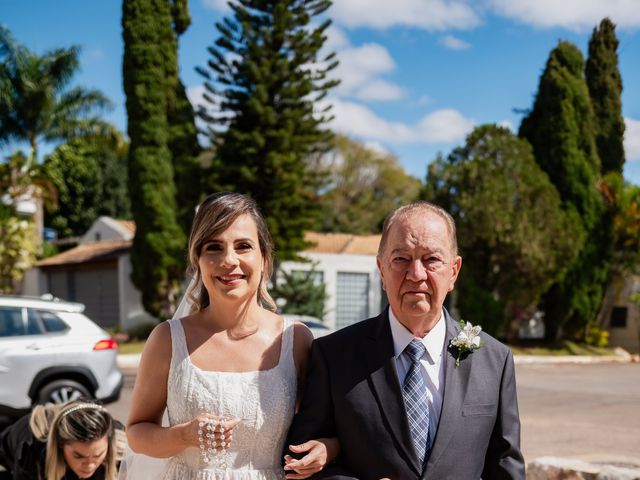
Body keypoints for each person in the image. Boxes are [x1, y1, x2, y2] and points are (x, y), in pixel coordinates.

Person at [285, 201, 525, 479]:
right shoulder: (334, 355)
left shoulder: (495, 360)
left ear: (454, 272)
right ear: (381, 269)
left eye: (432, 259)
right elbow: (299, 463)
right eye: (401, 259)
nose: (416, 274)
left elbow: (506, 466)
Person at [125, 192, 337, 479]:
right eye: (214, 247)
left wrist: (327, 449)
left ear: (264, 258)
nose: (229, 260)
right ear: (198, 260)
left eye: (243, 246)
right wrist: (185, 435)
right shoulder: (167, 339)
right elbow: (137, 433)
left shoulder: (295, 340)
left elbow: (328, 429)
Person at [0, 400, 125, 480]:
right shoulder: (33, 452)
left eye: (98, 455)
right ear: (60, 444)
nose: (90, 464)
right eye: (78, 455)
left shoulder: (121, 444)